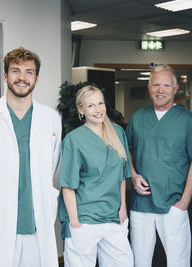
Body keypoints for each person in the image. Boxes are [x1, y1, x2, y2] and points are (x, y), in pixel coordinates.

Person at [0, 47, 61, 267]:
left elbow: (52, 164)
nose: (22, 78)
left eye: (29, 72)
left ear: (36, 78)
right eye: (16, 71)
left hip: (36, 222)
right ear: (5, 75)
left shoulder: (51, 118)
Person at [126, 64, 192, 267]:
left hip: (174, 202)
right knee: (139, 260)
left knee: (177, 260)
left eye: (166, 85)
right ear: (149, 86)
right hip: (141, 204)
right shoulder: (138, 118)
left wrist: (185, 202)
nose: (160, 90)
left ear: (176, 88)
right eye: (156, 85)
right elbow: (127, 151)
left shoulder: (188, 121)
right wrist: (133, 175)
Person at [59, 85, 133, 267]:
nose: (98, 109)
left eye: (100, 103)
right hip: (85, 219)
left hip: (114, 217)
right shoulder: (74, 139)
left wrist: (123, 207)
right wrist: (75, 222)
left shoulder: (118, 133)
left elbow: (121, 175)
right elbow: (68, 185)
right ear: (80, 109)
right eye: (91, 105)